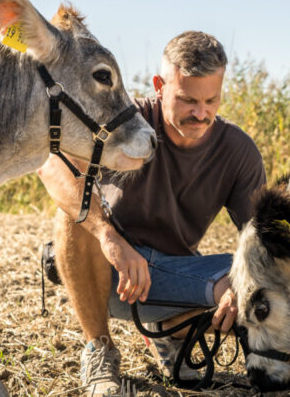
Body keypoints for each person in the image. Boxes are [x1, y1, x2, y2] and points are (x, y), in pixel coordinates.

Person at [37, 31, 265, 396]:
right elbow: (52, 165)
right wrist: (107, 236)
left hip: (176, 279)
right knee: (76, 215)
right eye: (188, 100)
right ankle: (100, 353)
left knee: (260, 280)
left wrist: (245, 286)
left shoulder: (238, 151)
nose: (201, 113)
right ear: (160, 85)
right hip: (108, 278)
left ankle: (170, 335)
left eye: (211, 100)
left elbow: (261, 238)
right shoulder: (126, 120)